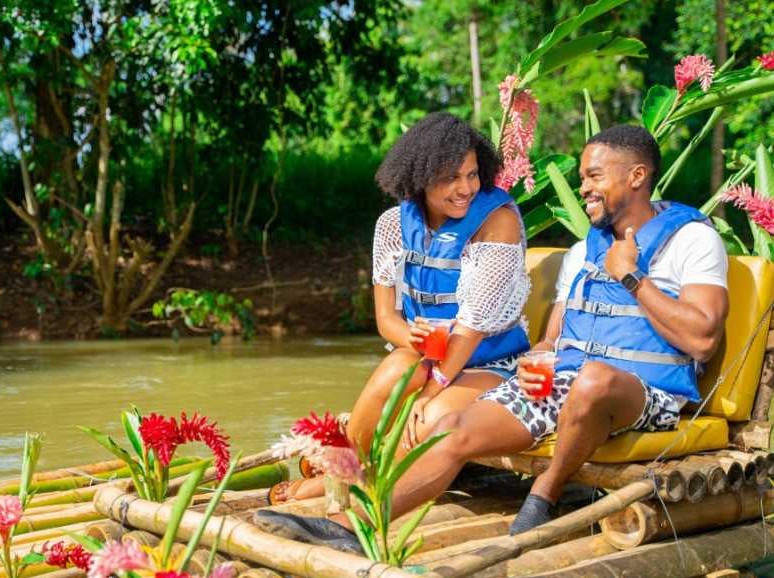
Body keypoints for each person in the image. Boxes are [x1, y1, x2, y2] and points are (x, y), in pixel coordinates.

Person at [255, 124, 729, 551]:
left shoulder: (692, 241)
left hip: (646, 393)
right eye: (583, 177)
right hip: (567, 383)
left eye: (593, 176)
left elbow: (703, 339)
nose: (582, 187)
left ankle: (543, 497)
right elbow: (553, 339)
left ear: (637, 176)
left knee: (595, 381)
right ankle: (352, 525)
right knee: (448, 427)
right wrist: (537, 358)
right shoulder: (585, 249)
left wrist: (631, 277)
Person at [269, 112, 531, 504]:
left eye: (473, 175)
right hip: (430, 356)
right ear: (420, 176)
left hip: (492, 364)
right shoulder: (393, 224)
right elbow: (386, 319)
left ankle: (332, 484)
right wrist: (410, 336)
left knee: (427, 419)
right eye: (451, 178)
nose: (466, 189)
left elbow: (473, 327)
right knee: (395, 368)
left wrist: (431, 390)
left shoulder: (498, 222)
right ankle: (343, 465)